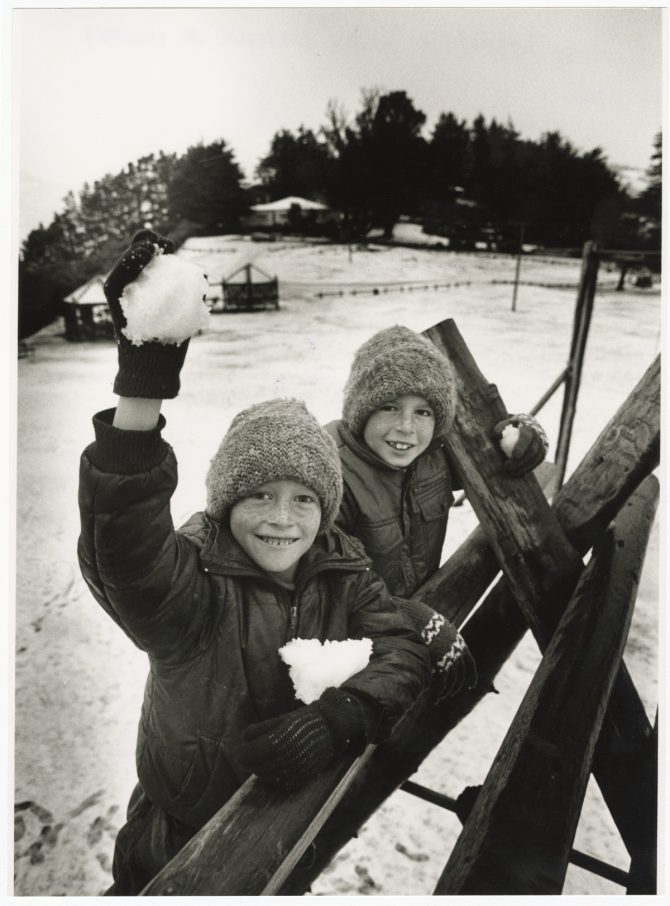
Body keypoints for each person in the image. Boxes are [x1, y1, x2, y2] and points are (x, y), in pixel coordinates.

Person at [77, 232, 431, 895]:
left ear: (325, 514)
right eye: (259, 495)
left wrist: (340, 719)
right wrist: (140, 396)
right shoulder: (192, 583)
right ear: (226, 502)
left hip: (286, 825)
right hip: (177, 833)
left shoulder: (340, 571)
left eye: (304, 500)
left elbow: (403, 651)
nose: (281, 518)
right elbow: (124, 551)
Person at [325, 324, 549, 698]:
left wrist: (522, 434)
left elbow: (493, 446)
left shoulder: (432, 457)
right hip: (349, 649)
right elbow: (327, 586)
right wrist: (409, 617)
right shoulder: (331, 472)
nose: (406, 428)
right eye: (388, 406)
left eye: (423, 411)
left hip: (422, 616)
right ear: (361, 408)